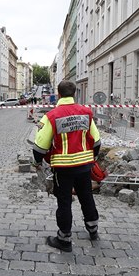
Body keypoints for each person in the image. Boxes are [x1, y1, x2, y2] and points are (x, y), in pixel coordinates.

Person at [32, 80, 101, 252]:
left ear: (59, 94)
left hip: (63, 168)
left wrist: (38, 162)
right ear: (75, 94)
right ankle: (93, 229)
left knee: (64, 202)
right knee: (86, 197)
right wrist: (92, 158)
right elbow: (97, 140)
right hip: (84, 166)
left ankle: (64, 239)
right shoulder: (86, 112)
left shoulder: (52, 116)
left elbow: (39, 146)